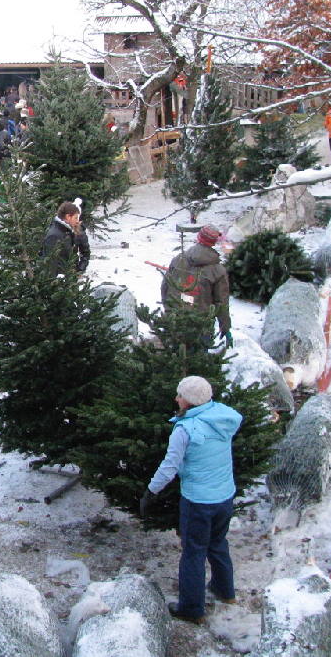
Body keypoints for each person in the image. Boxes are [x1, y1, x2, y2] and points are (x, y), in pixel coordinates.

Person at [140, 376, 242, 624]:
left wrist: (151, 492)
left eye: (180, 395)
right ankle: (225, 590)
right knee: (217, 542)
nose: (176, 399)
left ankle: (191, 608)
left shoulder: (184, 430)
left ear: (190, 401)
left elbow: (169, 467)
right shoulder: (223, 416)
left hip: (198, 501)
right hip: (225, 496)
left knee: (193, 552)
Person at [160, 225, 232, 347]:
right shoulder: (217, 270)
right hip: (201, 324)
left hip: (176, 320)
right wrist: (225, 328)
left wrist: (168, 310)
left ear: (198, 238)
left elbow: (165, 287)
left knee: (176, 358)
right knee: (199, 360)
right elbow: (221, 303)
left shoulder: (178, 259)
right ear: (214, 242)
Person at [41, 202, 90, 276]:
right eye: (75, 217)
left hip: (68, 279)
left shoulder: (68, 231)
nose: (77, 221)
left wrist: (79, 270)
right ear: (68, 217)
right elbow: (50, 264)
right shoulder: (54, 235)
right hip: (60, 282)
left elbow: (83, 253)